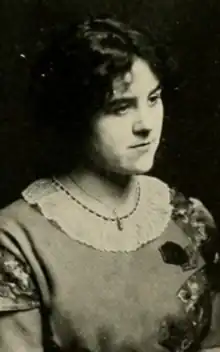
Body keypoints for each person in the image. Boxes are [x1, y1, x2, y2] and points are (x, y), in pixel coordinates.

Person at [0, 16, 219, 352]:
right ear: (74, 116)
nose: (146, 125)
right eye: (120, 108)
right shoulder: (16, 238)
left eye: (154, 98)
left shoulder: (188, 218)